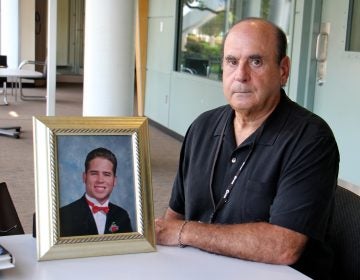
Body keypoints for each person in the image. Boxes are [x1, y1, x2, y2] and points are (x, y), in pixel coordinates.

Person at [155, 18, 339, 279]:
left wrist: (186, 232)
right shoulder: (202, 126)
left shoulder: (311, 138)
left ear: (283, 70)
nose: (240, 75)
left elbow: (283, 246)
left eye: (256, 61)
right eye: (231, 61)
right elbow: (175, 214)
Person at [60, 147, 133, 237]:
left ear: (114, 180)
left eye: (106, 174)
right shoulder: (64, 215)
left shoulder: (122, 216)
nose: (100, 180)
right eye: (94, 173)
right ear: (84, 177)